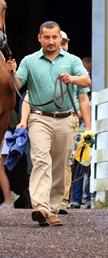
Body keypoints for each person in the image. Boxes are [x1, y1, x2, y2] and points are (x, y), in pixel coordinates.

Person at [6, 21, 91, 227]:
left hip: (65, 118)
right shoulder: (29, 61)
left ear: (60, 39)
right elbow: (17, 86)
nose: (51, 41)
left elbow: (86, 82)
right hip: (39, 118)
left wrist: (71, 78)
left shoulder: (71, 60)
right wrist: (11, 72)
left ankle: (53, 209)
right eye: (47, 37)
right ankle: (41, 206)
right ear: (40, 38)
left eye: (55, 37)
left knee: (60, 165)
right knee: (41, 160)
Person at [58, 32, 91, 214]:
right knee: (45, 159)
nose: (62, 44)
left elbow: (84, 98)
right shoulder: (41, 61)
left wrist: (89, 128)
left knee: (67, 160)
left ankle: (63, 200)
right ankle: (45, 199)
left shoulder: (74, 63)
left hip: (71, 118)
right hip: (46, 117)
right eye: (60, 41)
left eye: (65, 42)